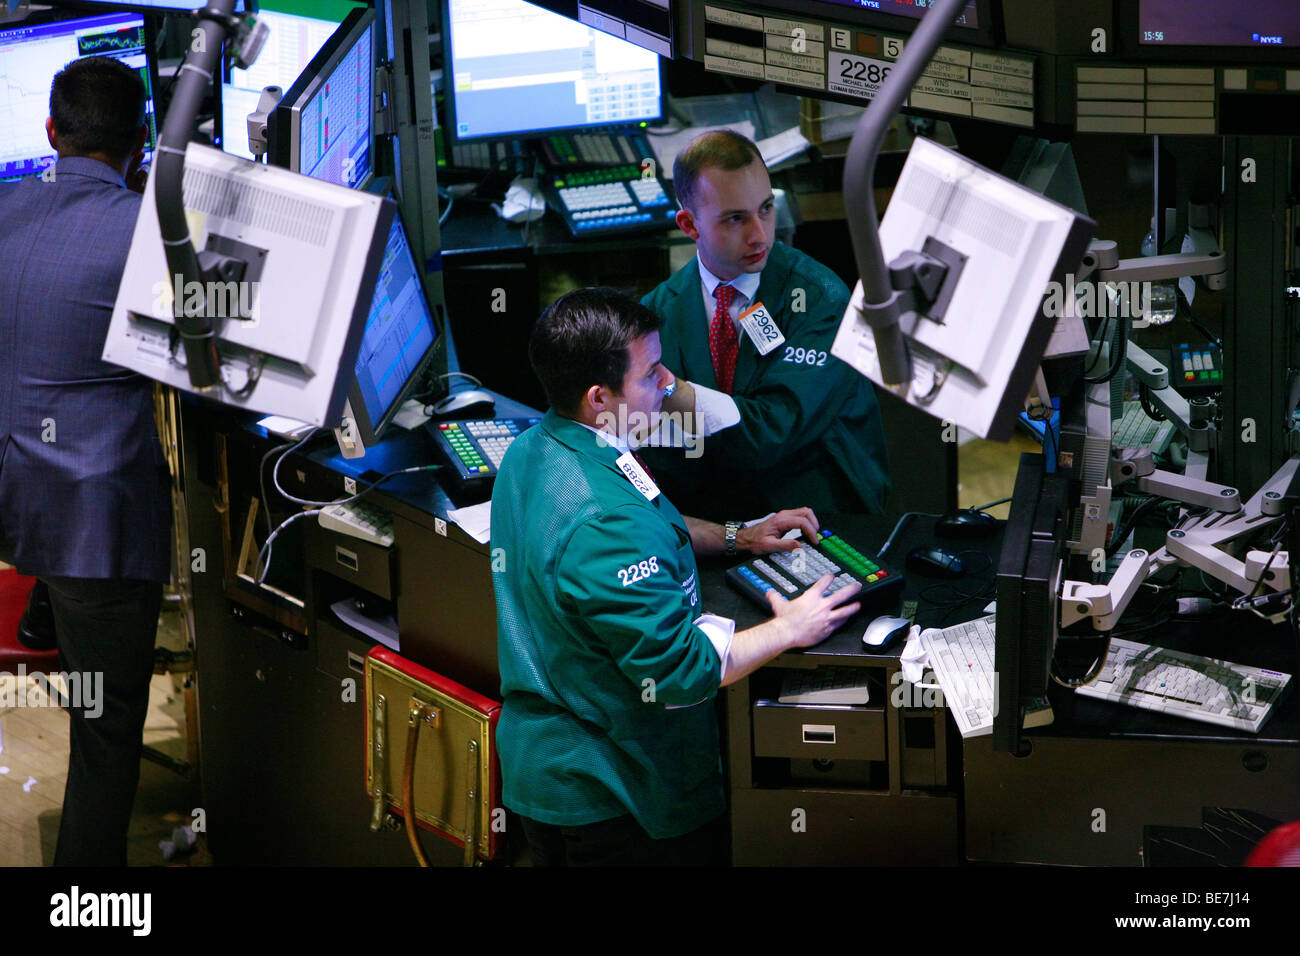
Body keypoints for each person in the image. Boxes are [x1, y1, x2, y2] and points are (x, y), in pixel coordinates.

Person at [491, 287, 862, 866]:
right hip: (615, 798)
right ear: (599, 396)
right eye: (650, 373)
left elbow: (646, 518)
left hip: (550, 768)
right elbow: (679, 671)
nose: (668, 383)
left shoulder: (538, 447)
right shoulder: (608, 522)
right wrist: (791, 627)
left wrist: (739, 535)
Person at [0, 56, 170, 866]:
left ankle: (44, 609)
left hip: (13, 494)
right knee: (106, 732)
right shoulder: (150, 233)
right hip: (89, 524)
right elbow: (212, 368)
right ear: (140, 143)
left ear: (49, 133)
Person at [640, 129, 891, 521]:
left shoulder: (821, 300)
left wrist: (667, 388)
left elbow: (771, 432)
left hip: (817, 513)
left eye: (766, 209)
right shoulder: (658, 310)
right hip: (710, 519)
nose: (759, 235)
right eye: (735, 218)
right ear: (689, 225)